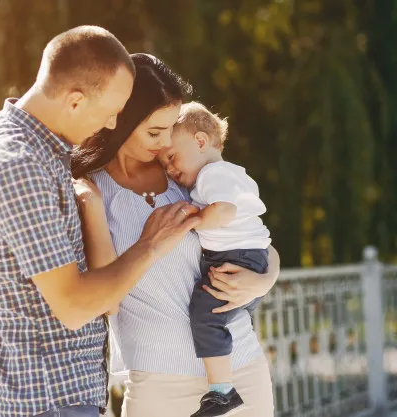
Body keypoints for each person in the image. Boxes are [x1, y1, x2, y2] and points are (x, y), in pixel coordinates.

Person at [0, 26, 200, 417]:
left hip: (55, 400)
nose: (110, 125)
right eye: (109, 113)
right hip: (48, 403)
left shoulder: (6, 137)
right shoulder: (17, 166)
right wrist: (151, 243)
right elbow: (74, 305)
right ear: (74, 100)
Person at [71, 54, 278, 417]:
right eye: (154, 132)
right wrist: (145, 241)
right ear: (120, 120)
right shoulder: (91, 193)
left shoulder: (187, 176)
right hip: (159, 385)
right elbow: (107, 302)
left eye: (170, 129)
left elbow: (258, 240)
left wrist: (263, 281)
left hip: (240, 369)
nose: (165, 142)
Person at [158, 101, 273, 416]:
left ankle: (222, 391)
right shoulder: (229, 173)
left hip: (234, 258)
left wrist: (190, 221)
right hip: (247, 256)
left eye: (171, 157)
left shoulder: (212, 174)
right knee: (219, 313)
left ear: (199, 141)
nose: (169, 169)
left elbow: (224, 212)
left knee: (204, 312)